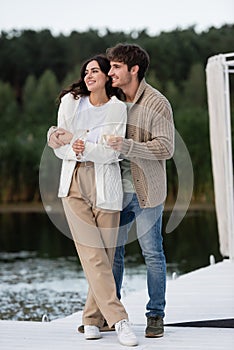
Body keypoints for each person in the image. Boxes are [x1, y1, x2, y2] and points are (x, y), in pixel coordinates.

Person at [47, 54, 138, 347]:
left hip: (106, 185)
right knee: (92, 254)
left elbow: (114, 154)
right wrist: (75, 149)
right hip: (74, 183)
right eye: (86, 71)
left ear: (106, 78)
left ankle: (90, 318)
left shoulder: (117, 108)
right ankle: (120, 320)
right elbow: (59, 146)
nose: (88, 75)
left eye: (95, 70)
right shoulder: (70, 103)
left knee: (105, 257)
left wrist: (86, 146)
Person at [105, 43, 175, 338]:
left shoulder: (157, 103)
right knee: (113, 256)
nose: (110, 73)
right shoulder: (111, 101)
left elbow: (168, 147)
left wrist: (127, 146)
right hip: (113, 194)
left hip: (147, 193)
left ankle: (155, 315)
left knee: (152, 254)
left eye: (116, 67)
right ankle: (114, 316)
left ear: (133, 69)